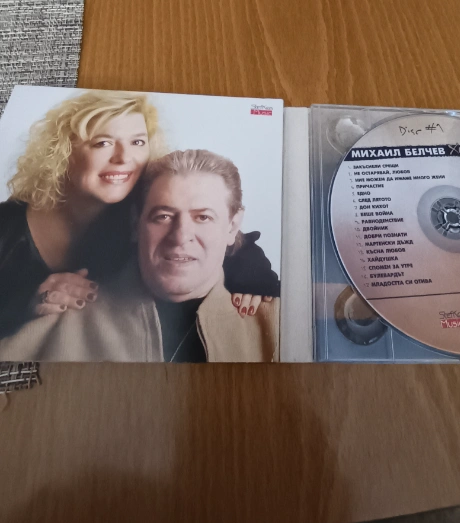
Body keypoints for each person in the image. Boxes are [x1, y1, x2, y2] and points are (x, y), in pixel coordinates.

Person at [0, 91, 279, 340]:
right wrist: (27, 306)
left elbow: (231, 243)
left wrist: (258, 286)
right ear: (62, 153)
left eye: (137, 141)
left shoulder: (149, 213)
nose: (124, 157)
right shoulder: (6, 225)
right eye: (102, 143)